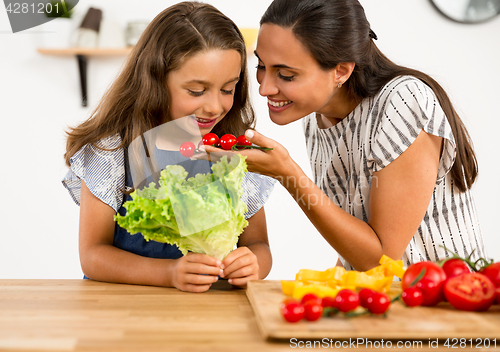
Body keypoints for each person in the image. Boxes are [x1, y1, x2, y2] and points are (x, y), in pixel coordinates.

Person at [204, 0, 487, 271]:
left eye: (286, 75)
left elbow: (382, 260)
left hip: (445, 303)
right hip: (384, 302)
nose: (264, 88)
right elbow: (358, 240)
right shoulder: (317, 117)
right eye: (261, 66)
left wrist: (287, 173)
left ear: (341, 70)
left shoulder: (402, 102)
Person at [62, 1, 275, 292]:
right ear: (155, 81)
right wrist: (169, 272)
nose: (215, 106)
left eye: (228, 89)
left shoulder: (235, 149)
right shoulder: (112, 150)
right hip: (125, 313)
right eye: (196, 91)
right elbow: (93, 256)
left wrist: (254, 263)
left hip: (213, 313)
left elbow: (259, 245)